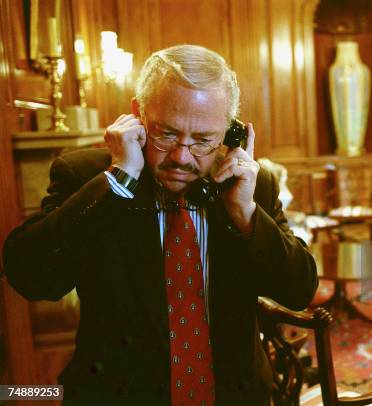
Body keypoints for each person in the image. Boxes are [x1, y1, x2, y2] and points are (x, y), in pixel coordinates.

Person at [2, 45, 318, 405]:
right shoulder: (87, 176)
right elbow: (31, 276)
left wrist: (246, 214)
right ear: (138, 115)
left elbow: (299, 290)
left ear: (231, 134)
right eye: (166, 134)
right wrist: (120, 179)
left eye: (202, 140)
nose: (182, 157)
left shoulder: (249, 186)